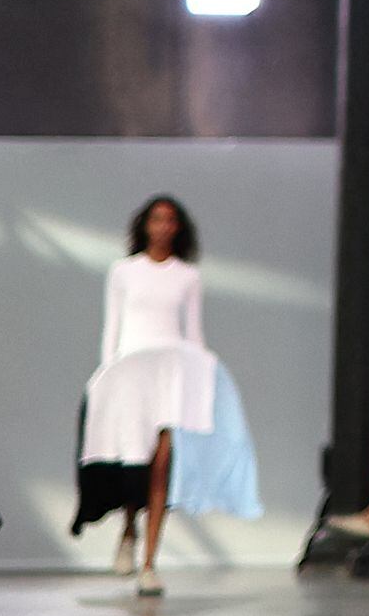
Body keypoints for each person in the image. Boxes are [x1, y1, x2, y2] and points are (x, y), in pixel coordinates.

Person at [76, 194, 261, 595]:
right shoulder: (124, 272)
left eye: (170, 220)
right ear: (144, 225)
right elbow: (113, 326)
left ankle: (149, 564)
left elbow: (192, 332)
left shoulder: (187, 276)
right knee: (134, 461)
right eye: (156, 219)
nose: (162, 227)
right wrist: (107, 372)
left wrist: (203, 375)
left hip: (171, 371)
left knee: (162, 463)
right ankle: (129, 529)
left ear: (178, 228)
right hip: (131, 372)